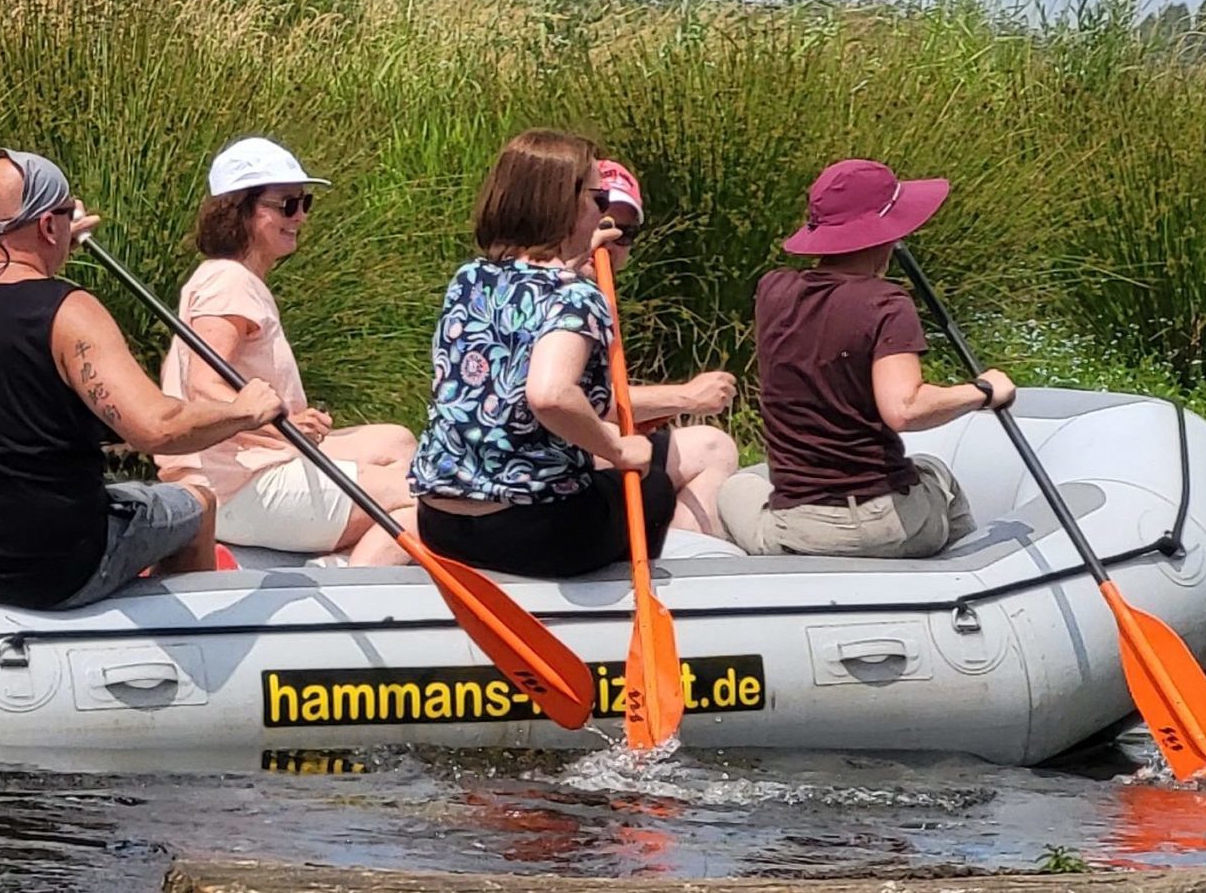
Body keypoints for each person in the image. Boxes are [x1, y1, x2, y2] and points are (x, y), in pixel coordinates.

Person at [0, 150, 285, 609]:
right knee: (198, 504)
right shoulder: (70, 313)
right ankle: (185, 648)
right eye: (68, 214)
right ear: (48, 226)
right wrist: (245, 410)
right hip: (52, 569)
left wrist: (55, 235)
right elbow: (158, 428)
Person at [402, 129, 742, 580]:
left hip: (441, 522)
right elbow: (550, 395)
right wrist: (619, 449)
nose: (604, 215)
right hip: (532, 531)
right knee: (653, 482)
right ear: (564, 204)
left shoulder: (470, 278)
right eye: (598, 201)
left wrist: (578, 250)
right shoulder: (575, 296)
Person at [717, 159, 1011, 559]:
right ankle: (962, 581)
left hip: (798, 528)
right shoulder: (886, 303)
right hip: (880, 526)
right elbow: (904, 409)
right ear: (886, 234)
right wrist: (982, 391)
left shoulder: (772, 291)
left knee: (737, 487)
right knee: (937, 475)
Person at [157, 137, 418, 562]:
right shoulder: (228, 283)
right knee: (422, 497)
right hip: (235, 484)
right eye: (286, 205)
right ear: (240, 210)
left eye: (304, 203)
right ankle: (354, 587)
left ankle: (346, 551)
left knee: (398, 440)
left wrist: (287, 425)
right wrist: (281, 422)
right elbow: (203, 385)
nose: (299, 217)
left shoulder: (229, 278)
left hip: (254, 461)